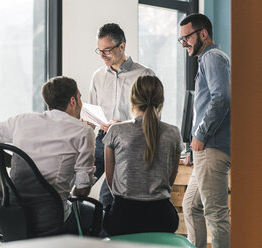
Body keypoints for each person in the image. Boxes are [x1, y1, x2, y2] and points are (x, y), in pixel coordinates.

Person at [0, 76, 98, 235]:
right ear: (73, 101)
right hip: (52, 219)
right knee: (97, 216)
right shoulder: (82, 131)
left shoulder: (23, 120)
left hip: (12, 215)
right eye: (80, 98)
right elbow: (82, 190)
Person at [102, 75, 182, 235]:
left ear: (132, 100)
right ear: (161, 100)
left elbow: (110, 181)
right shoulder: (173, 133)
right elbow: (169, 180)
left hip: (123, 217)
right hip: (161, 218)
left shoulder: (116, 131)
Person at [179, 13, 231, 248]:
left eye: (187, 37)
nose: (184, 44)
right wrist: (193, 147)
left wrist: (199, 135)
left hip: (212, 148)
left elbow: (222, 98)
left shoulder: (212, 58)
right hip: (204, 150)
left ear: (203, 33)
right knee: (190, 206)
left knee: (216, 214)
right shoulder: (208, 59)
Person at [89, 23, 155, 208]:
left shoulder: (144, 75)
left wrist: (123, 125)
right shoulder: (97, 77)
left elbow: (151, 118)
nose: (102, 56)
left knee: (107, 197)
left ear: (122, 46)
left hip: (129, 144)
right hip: (102, 140)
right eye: (99, 50)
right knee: (77, 185)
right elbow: (93, 113)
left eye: (107, 50)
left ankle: (108, 236)